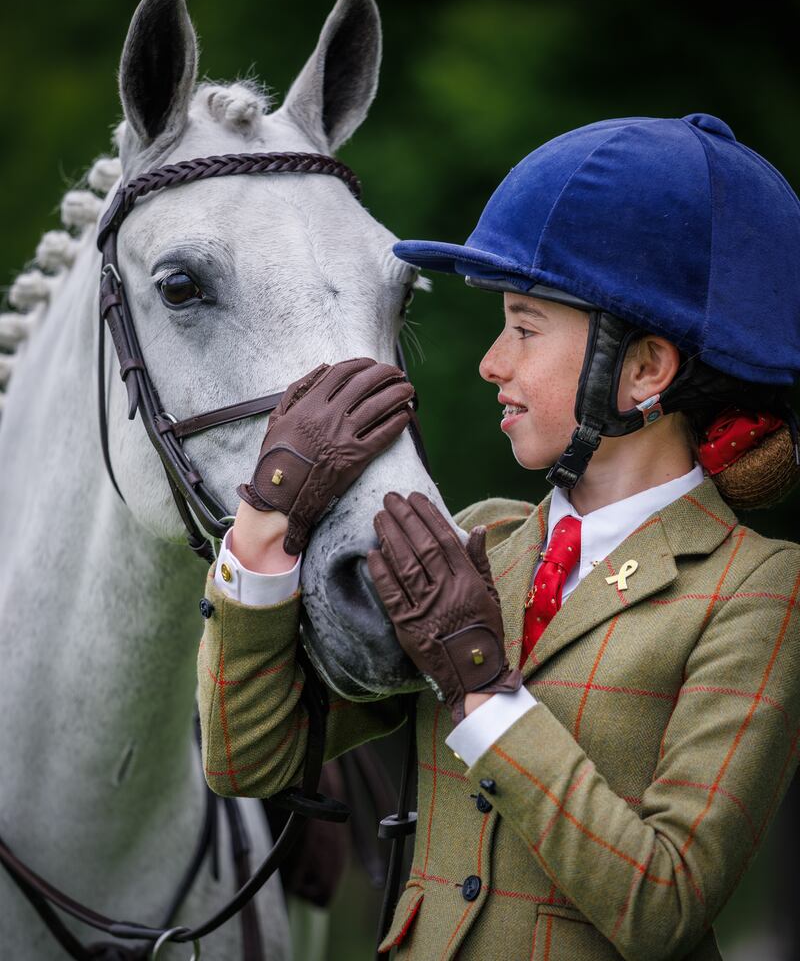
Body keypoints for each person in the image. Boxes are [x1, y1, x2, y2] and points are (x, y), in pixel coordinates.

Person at [198, 112, 800, 960]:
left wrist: (480, 684)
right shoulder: (476, 540)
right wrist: (266, 521)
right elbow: (249, 759)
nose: (491, 362)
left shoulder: (758, 590)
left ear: (642, 369)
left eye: (523, 326)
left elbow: (664, 903)